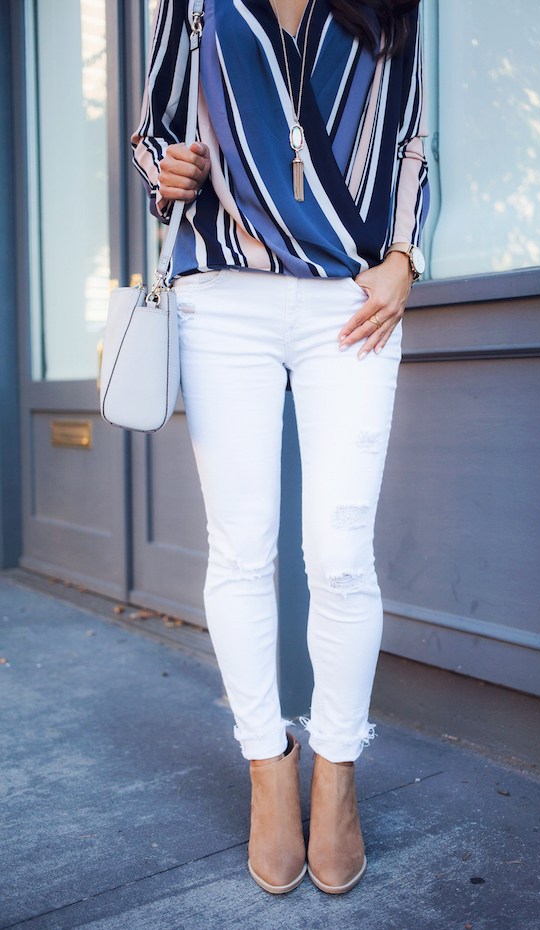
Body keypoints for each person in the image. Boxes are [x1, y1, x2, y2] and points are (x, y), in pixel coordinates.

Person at [132, 0, 428, 896]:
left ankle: (335, 773)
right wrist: (170, 168)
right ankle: (269, 764)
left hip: (353, 295)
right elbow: (154, 131)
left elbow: (412, 134)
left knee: (340, 553)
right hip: (224, 296)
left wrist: (407, 258)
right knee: (243, 544)